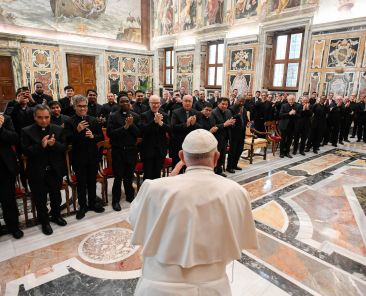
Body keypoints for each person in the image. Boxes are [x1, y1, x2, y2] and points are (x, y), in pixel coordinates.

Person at [129, 129, 258, 296]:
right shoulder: (237, 192)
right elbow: (239, 236)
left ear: (182, 157)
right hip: (213, 287)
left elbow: (135, 220)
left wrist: (168, 181)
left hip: (158, 286)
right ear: (216, 157)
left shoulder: (154, 188)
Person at [21, 105, 67, 235]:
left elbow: (64, 147)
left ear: (50, 117)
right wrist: (40, 146)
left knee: (55, 196)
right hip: (36, 171)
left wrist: (54, 144)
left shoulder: (57, 129)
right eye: (40, 118)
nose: (44, 121)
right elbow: (25, 151)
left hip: (54, 170)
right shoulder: (26, 131)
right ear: (35, 117)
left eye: (46, 117)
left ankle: (56, 215)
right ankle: (45, 222)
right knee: (40, 199)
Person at [64, 95, 105, 220]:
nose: (83, 108)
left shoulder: (93, 120)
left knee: (92, 181)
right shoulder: (69, 121)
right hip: (78, 157)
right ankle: (82, 206)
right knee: (81, 183)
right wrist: (77, 130)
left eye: (85, 106)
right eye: (80, 106)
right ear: (75, 106)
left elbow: (101, 137)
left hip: (92, 156)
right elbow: (67, 140)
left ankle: (92, 203)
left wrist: (93, 136)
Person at [107, 96, 140, 210]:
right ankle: (115, 200)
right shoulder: (113, 116)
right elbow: (110, 133)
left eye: (127, 101)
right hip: (118, 150)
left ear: (130, 103)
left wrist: (131, 125)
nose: (125, 103)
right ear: (118, 103)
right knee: (118, 176)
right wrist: (125, 127)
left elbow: (139, 133)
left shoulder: (135, 116)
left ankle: (130, 196)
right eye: (122, 102)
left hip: (131, 150)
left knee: (129, 176)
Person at [0, 113, 24, 239]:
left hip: (4, 166)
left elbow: (14, 138)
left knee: (8, 199)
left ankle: (13, 226)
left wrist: (0, 128)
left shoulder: (5, 119)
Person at [140, 95, 170, 180]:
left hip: (160, 150)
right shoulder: (144, 115)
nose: (155, 105)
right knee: (148, 175)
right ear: (149, 104)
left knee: (157, 174)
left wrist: (160, 122)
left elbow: (169, 129)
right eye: (153, 103)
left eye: (157, 103)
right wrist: (154, 122)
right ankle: (147, 193)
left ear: (160, 104)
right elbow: (143, 130)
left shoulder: (164, 115)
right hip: (147, 149)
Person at [170, 95, 201, 168]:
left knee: (190, 166)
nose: (187, 103)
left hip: (192, 144)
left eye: (189, 101)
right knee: (178, 165)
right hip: (179, 143)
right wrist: (186, 124)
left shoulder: (197, 113)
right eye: (185, 101)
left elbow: (201, 127)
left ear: (192, 102)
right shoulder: (175, 112)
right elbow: (173, 127)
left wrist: (194, 124)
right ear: (182, 102)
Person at [212, 98, 235, 176]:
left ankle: (219, 171)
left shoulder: (228, 111)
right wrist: (224, 124)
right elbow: (213, 126)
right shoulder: (213, 112)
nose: (224, 106)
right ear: (218, 103)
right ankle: (213, 172)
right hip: (216, 137)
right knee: (216, 156)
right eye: (223, 104)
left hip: (225, 137)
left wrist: (232, 123)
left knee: (222, 155)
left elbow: (230, 122)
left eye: (226, 104)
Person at [227, 96, 248, 172]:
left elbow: (245, 119)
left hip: (242, 133)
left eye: (243, 102)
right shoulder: (231, 109)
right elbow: (230, 119)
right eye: (240, 101)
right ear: (237, 100)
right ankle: (229, 167)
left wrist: (248, 122)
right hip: (234, 133)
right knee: (233, 151)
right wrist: (238, 115)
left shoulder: (244, 109)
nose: (242, 103)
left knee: (239, 150)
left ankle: (235, 165)